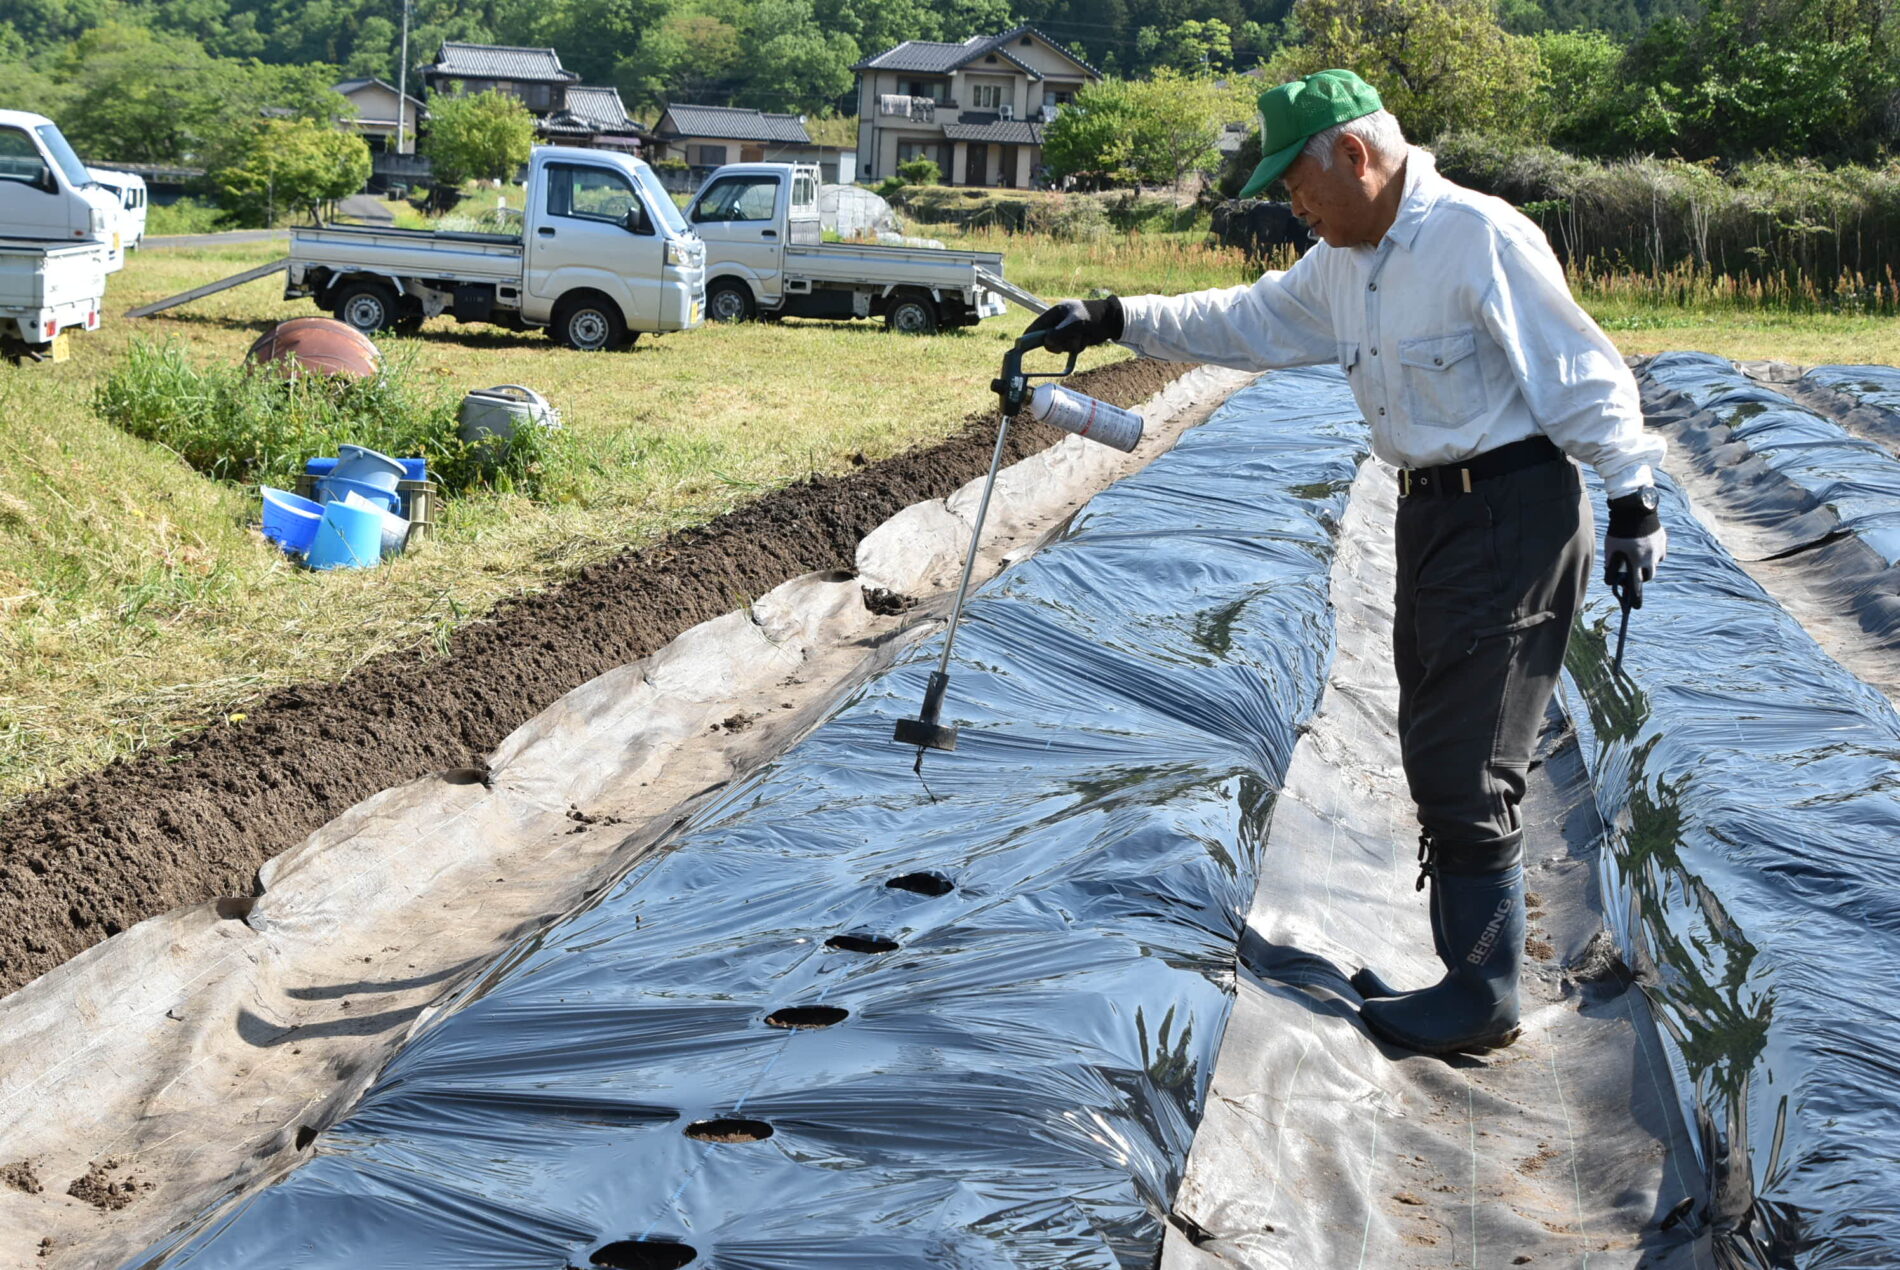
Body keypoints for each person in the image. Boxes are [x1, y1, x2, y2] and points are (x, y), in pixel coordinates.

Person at [1025, 69, 1667, 1056]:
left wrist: (1632, 499)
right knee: (1434, 739)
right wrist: (1113, 316)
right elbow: (1245, 320)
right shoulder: (1345, 263)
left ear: (1356, 157)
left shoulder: (1476, 238)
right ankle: (1462, 977)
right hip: (1432, 517)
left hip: (1511, 516)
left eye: (1297, 185)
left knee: (1467, 759)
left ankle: (1485, 994)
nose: (1295, 207)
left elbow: (1578, 370)